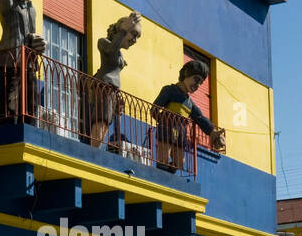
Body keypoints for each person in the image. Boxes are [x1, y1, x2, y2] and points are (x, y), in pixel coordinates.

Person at [0, 0, 46, 123]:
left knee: (30, 106)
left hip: (29, 66)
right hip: (9, 62)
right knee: (9, 107)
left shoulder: (31, 10)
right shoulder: (9, 6)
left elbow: (30, 38)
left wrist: (37, 44)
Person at [152, 61, 226, 173]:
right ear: (186, 73)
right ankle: (162, 174)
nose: (197, 85)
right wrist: (163, 121)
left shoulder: (189, 103)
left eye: (200, 83)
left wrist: (213, 133)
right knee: (163, 157)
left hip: (180, 133)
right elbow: (154, 109)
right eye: (196, 79)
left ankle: (169, 176)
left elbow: (200, 118)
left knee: (180, 162)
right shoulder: (169, 90)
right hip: (167, 129)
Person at [90, 12, 142, 151]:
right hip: (104, 86)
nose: (134, 40)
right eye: (133, 34)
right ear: (120, 29)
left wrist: (117, 96)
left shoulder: (119, 52)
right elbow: (110, 51)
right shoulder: (103, 42)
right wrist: (123, 30)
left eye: (137, 37)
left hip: (111, 89)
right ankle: (94, 148)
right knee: (102, 118)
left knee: (107, 120)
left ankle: (96, 146)